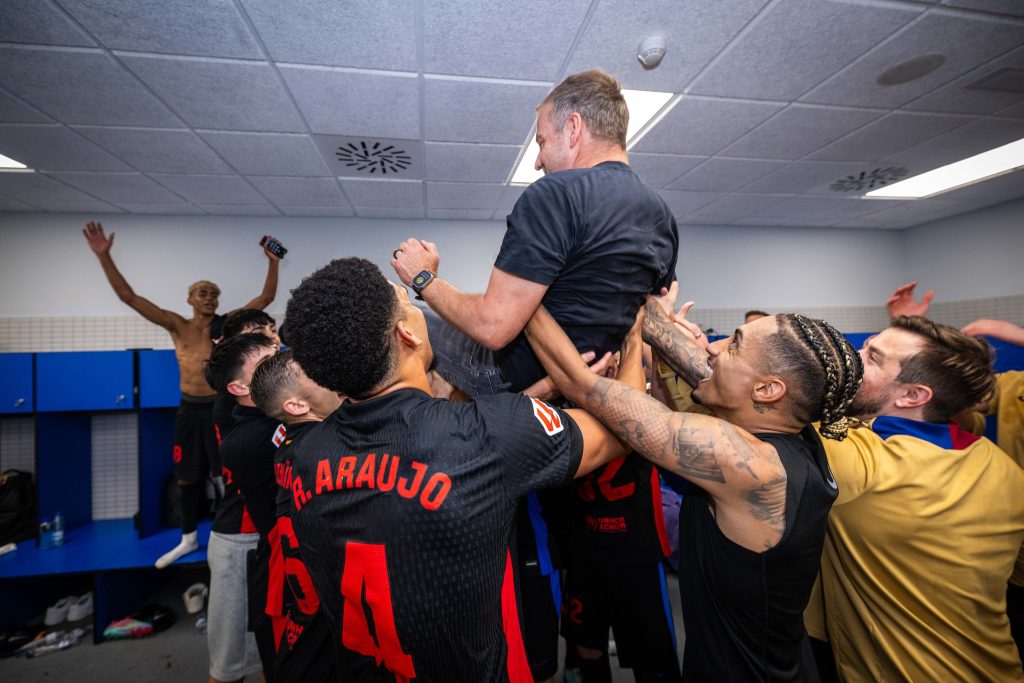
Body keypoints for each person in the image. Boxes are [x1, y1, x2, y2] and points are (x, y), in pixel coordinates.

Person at [282, 257, 634, 682]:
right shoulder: (482, 436)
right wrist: (636, 335)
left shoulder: (305, 454)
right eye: (408, 303)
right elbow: (624, 430)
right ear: (407, 333)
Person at [523, 296, 863, 681]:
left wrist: (524, 293)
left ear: (768, 389)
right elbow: (690, 355)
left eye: (733, 344)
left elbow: (581, 385)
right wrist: (649, 302)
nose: (714, 348)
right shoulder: (792, 429)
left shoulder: (751, 465)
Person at [391, 69, 678, 394]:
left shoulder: (555, 193)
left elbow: (493, 327)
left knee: (396, 314)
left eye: (542, 142)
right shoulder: (662, 215)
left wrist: (423, 279)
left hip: (505, 374)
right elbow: (652, 310)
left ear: (573, 128)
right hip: (594, 378)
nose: (538, 162)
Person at [805, 314, 1024, 681]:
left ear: (912, 395)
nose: (854, 357)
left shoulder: (857, 457)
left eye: (873, 357)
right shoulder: (1006, 470)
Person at [82, 220, 281, 568]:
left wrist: (273, 262)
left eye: (213, 294)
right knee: (187, 475)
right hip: (189, 408)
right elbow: (130, 298)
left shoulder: (227, 326)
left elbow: (264, 299)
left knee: (226, 474)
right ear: (190, 299)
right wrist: (104, 256)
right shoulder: (178, 325)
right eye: (202, 294)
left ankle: (231, 531)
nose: (209, 299)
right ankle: (188, 538)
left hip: (221, 407)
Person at [249, 350, 343, 682]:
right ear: (297, 405)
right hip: (325, 633)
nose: (333, 375)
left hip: (305, 625)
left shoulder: (291, 447)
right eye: (318, 374)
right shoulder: (329, 451)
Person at [201, 332, 279, 683]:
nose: (280, 363)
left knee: (269, 658)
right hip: (240, 546)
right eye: (266, 362)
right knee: (230, 666)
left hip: (263, 547)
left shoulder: (273, 413)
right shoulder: (248, 436)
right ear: (239, 387)